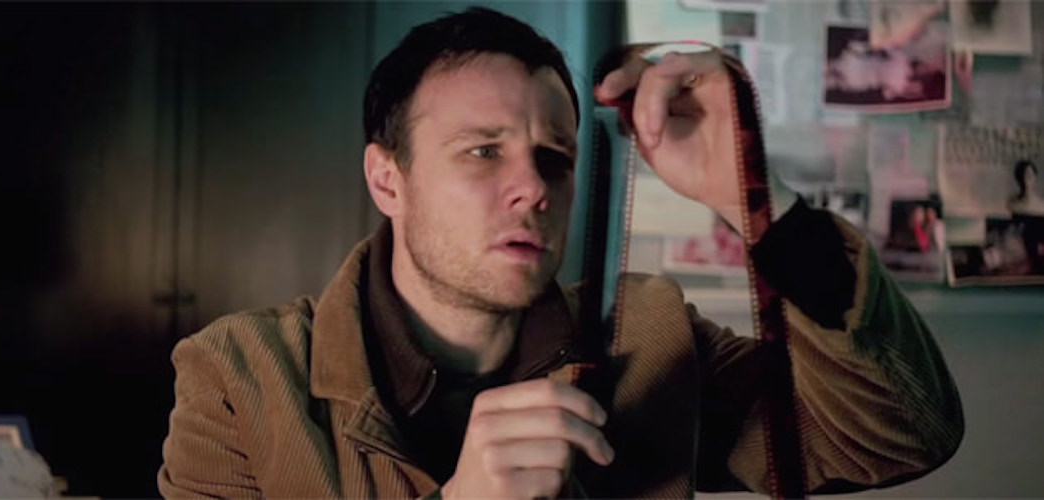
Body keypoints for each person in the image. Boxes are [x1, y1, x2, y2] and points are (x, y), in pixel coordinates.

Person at [158, 7, 963, 498]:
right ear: (386, 178)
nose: (533, 188)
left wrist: (756, 197)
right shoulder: (241, 380)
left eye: (555, 157)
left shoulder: (652, 337)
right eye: (483, 151)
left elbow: (899, 435)